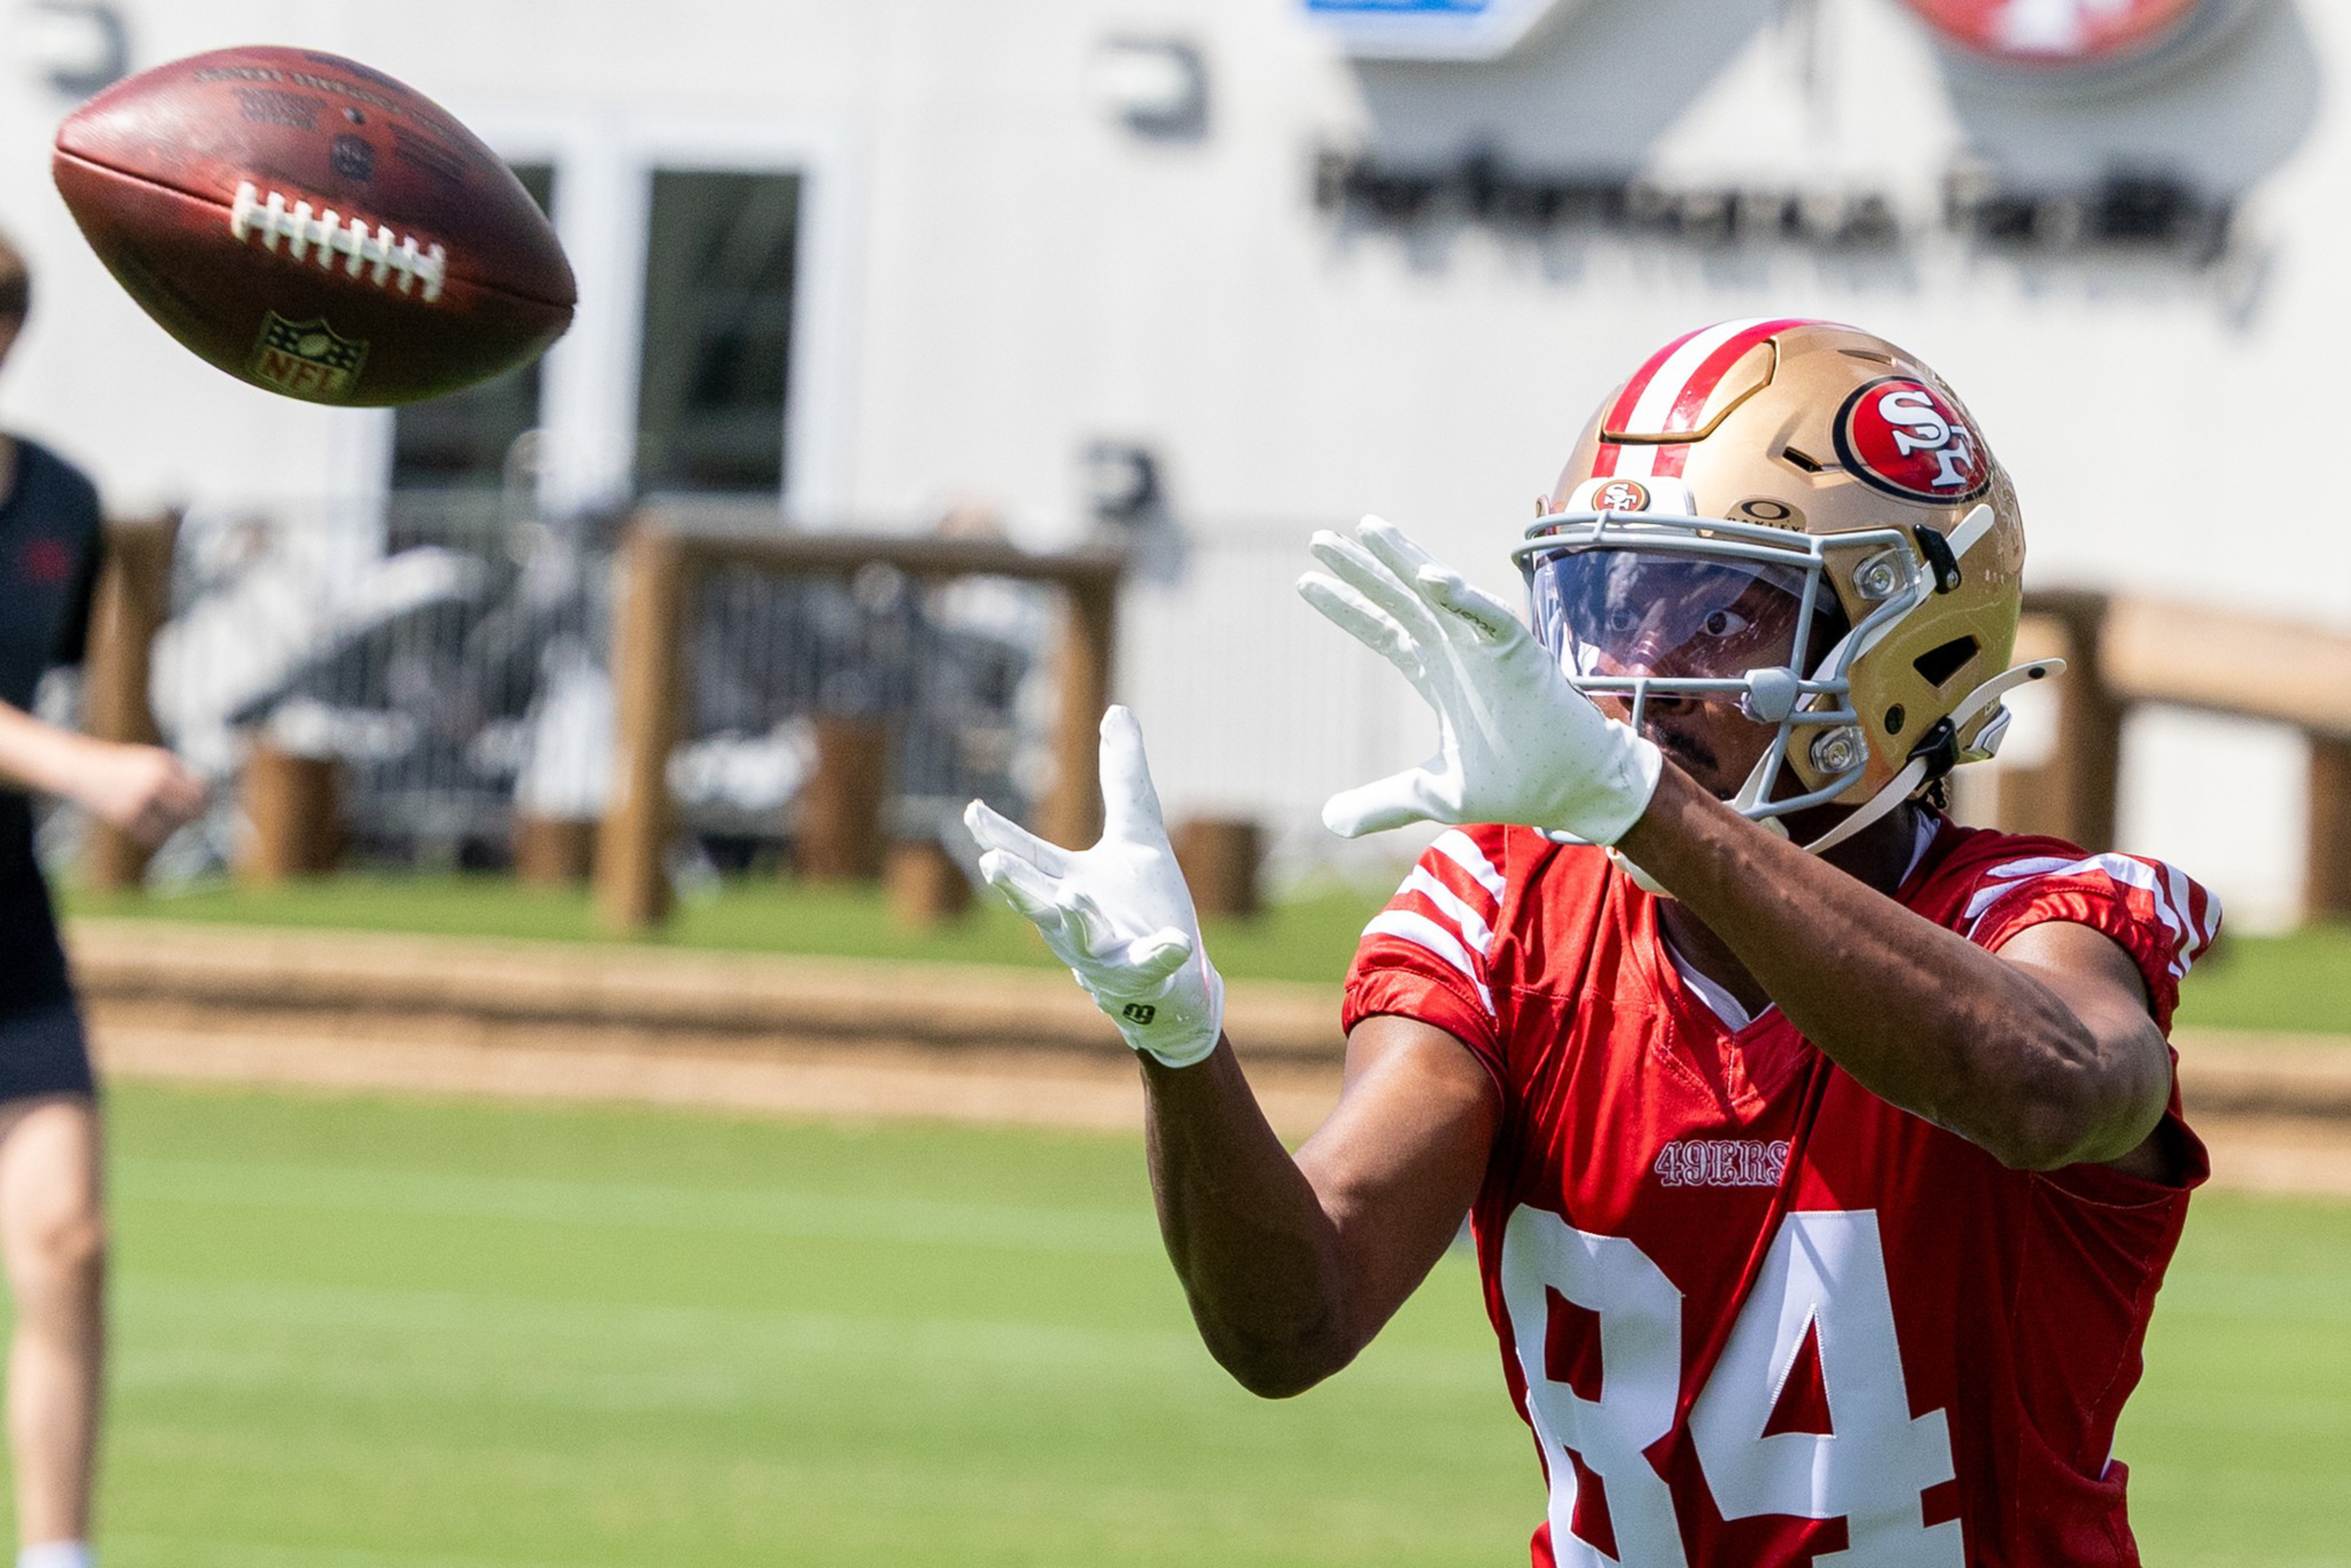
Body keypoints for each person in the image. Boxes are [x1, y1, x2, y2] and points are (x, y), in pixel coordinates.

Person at [964, 317, 2216, 1565]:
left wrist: (1643, 805)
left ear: (1909, 638)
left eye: (1717, 613)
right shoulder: (1508, 914)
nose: (1635, 676)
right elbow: (1294, 1324)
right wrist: (1179, 1043)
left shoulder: (2040, 917)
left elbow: (2046, 1089)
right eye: (1611, 603)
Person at [0, 230, 206, 1568]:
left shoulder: (63, 503)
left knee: (69, 1238)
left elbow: (72, 680)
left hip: (3, 915)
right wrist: (87, 764)